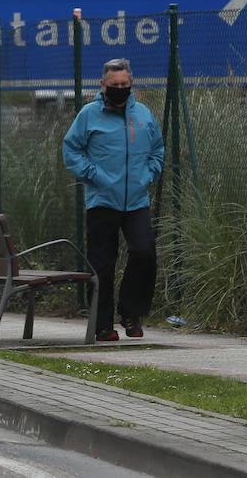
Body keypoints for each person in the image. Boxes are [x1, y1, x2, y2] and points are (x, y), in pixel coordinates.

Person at [61, 57, 164, 342]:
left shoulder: (143, 114)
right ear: (103, 84)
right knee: (102, 263)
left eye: (124, 84)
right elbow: (71, 150)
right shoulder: (89, 115)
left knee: (144, 252)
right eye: (114, 84)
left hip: (136, 201)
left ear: (131, 83)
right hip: (102, 200)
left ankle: (131, 314)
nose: (120, 88)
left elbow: (157, 148)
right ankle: (102, 324)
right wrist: (93, 174)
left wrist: (149, 173)